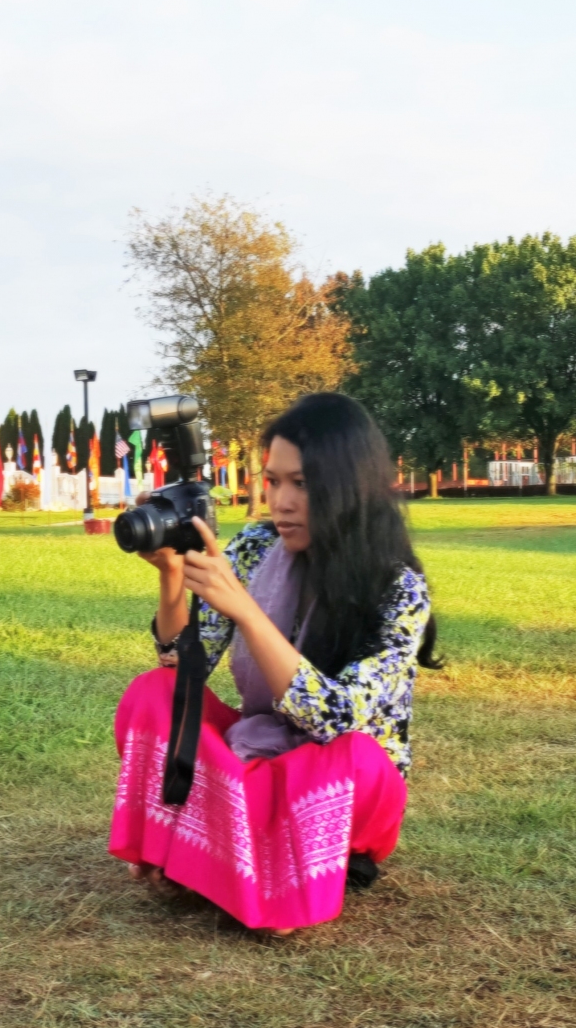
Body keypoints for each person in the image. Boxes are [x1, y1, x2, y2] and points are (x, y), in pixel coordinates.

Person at [108, 391, 442, 934]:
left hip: (345, 783)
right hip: (259, 754)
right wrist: (172, 574)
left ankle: (219, 854)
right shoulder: (258, 547)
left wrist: (245, 608)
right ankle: (237, 856)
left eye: (303, 484)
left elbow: (334, 719)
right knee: (154, 693)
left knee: (350, 755)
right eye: (273, 480)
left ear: (349, 486)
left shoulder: (397, 587)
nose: (281, 501)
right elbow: (180, 661)